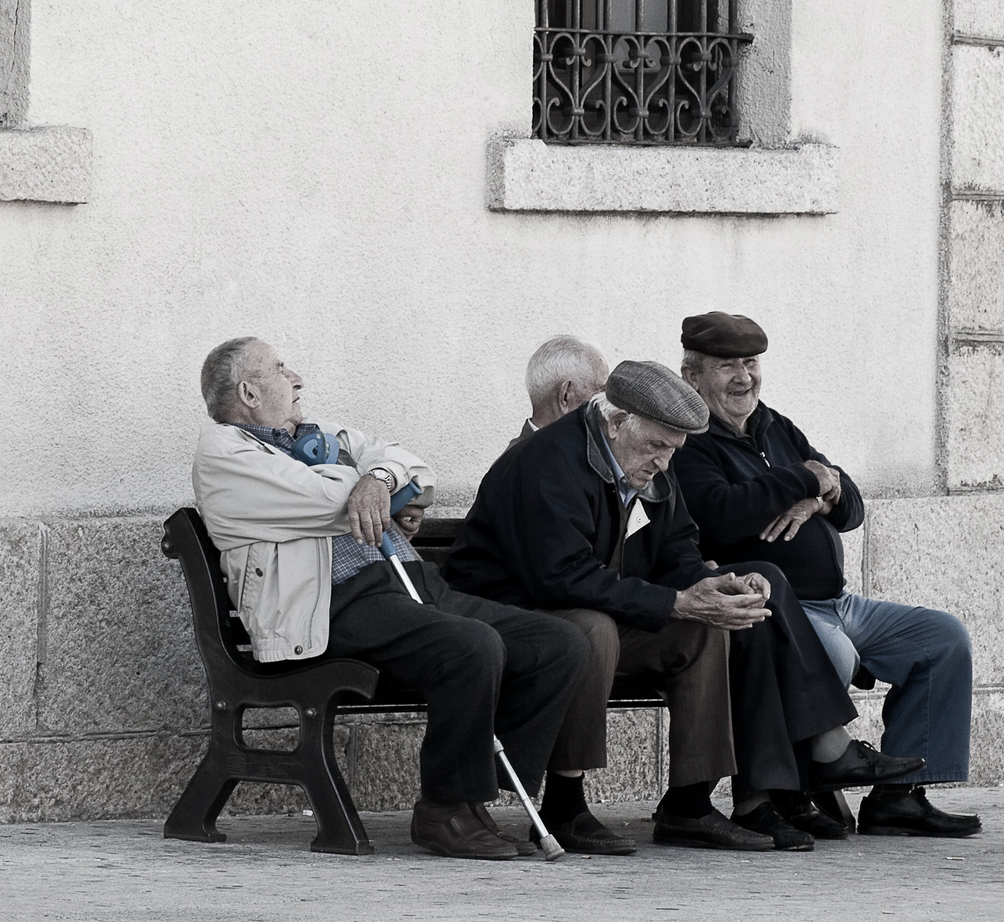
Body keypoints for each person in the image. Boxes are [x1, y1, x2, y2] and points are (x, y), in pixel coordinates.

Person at [445, 360, 921, 855]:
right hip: (508, 613)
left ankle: (689, 804)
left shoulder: (647, 466)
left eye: (674, 450)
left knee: (705, 627)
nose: (663, 463)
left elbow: (676, 551)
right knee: (593, 629)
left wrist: (715, 585)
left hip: (593, 603)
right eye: (655, 446)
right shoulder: (546, 462)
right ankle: (564, 806)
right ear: (614, 421)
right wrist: (676, 601)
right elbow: (561, 578)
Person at [190, 337, 589, 860]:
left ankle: (479, 791)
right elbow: (327, 500)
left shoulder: (318, 437)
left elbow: (413, 465)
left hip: (410, 582)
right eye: (281, 367)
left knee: (558, 642)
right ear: (247, 391)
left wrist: (378, 479)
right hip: (333, 604)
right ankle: (444, 808)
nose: (297, 377)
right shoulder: (225, 452)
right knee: (471, 646)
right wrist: (375, 486)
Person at [672, 311, 981, 838]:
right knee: (832, 655)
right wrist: (805, 478)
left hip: (839, 603)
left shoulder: (775, 426)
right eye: (728, 366)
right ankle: (797, 787)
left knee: (942, 638)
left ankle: (898, 799)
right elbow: (721, 511)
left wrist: (820, 496)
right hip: (780, 609)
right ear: (692, 375)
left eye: (751, 363)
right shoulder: (690, 441)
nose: (745, 377)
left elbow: (850, 503)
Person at [518, 335, 610, 443]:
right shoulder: (531, 458)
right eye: (601, 391)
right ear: (566, 396)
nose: (607, 402)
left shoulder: (566, 448)